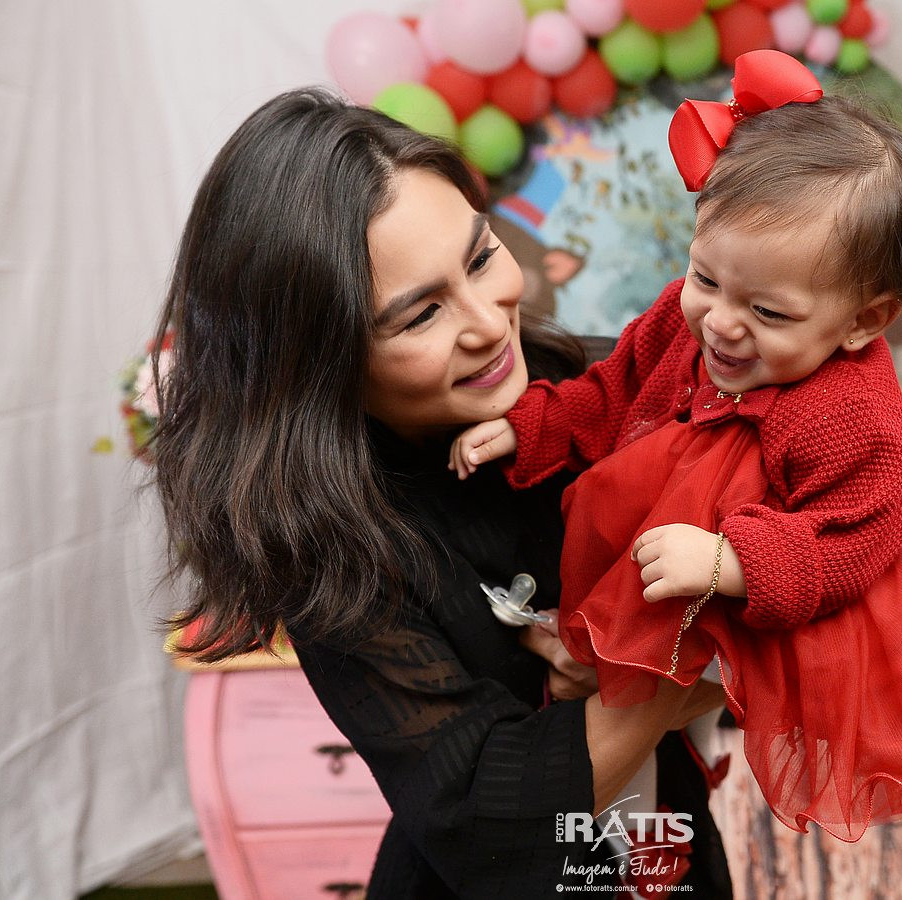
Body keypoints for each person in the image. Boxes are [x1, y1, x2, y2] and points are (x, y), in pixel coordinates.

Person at [148, 89, 732, 897]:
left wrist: (640, 666)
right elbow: (483, 828)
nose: (487, 324)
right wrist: (659, 681)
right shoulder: (328, 539)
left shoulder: (614, 388)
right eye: (420, 314)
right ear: (320, 364)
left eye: (482, 258)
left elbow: (826, 581)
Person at [452, 50, 902, 839]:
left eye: (768, 313)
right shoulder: (687, 317)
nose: (720, 322)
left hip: (785, 590)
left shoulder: (857, 420)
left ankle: (655, 781)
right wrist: (531, 424)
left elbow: (848, 545)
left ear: (862, 320)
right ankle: (629, 795)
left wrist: (730, 563)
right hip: (671, 550)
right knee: (625, 718)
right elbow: (613, 388)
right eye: (706, 278)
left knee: (665, 717)